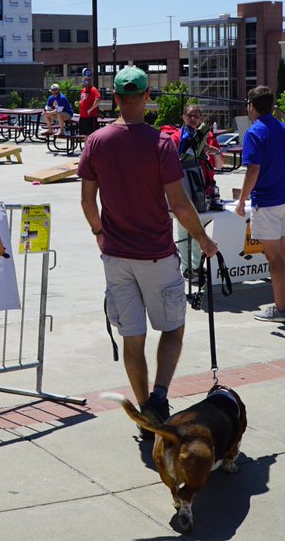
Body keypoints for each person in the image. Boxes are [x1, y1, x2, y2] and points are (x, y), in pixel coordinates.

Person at [79, 66, 219, 434]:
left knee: (132, 336)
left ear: (116, 99)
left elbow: (88, 201)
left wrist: (99, 233)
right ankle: (159, 397)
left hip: (116, 255)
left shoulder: (96, 141)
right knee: (172, 328)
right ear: (146, 97)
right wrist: (203, 240)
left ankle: (145, 411)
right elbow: (179, 204)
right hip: (156, 254)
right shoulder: (161, 144)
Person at [236, 85, 285, 324]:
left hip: (267, 202)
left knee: (274, 257)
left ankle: (280, 309)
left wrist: (242, 200)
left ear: (251, 106)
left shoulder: (254, 132)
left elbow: (253, 169)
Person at [175, 104, 220, 271]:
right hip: (185, 191)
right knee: (184, 231)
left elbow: (219, 165)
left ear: (201, 119)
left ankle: (196, 267)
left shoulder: (208, 137)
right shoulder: (176, 138)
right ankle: (188, 268)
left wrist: (215, 152)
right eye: (190, 116)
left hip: (205, 191)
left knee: (199, 231)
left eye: (196, 116)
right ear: (183, 117)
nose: (193, 119)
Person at [78, 69, 101, 136]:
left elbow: (98, 100)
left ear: (90, 81)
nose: (85, 82)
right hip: (82, 117)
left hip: (90, 117)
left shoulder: (93, 90)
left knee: (91, 135)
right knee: (84, 135)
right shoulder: (83, 90)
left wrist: (90, 109)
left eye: (86, 81)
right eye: (84, 81)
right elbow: (83, 100)